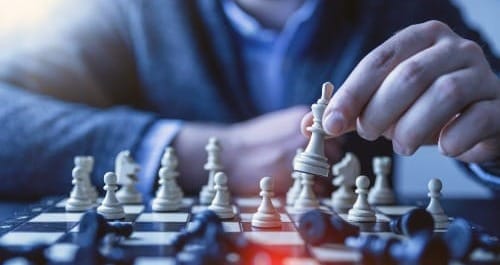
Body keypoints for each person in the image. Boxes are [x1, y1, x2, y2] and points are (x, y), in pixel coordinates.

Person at [0, 0, 498, 199]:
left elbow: (486, 100)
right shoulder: (122, 11)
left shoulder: (406, 9)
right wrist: (205, 153)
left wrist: (496, 146)